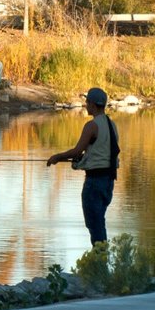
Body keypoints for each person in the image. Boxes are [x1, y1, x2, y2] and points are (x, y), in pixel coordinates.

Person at [47, 87, 120, 244]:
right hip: (108, 182)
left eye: (87, 102)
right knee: (99, 222)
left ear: (93, 104)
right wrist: (84, 158)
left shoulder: (91, 126)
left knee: (94, 224)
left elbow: (76, 151)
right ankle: (101, 260)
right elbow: (102, 152)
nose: (86, 105)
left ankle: (99, 262)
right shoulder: (112, 125)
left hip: (94, 183)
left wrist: (57, 157)